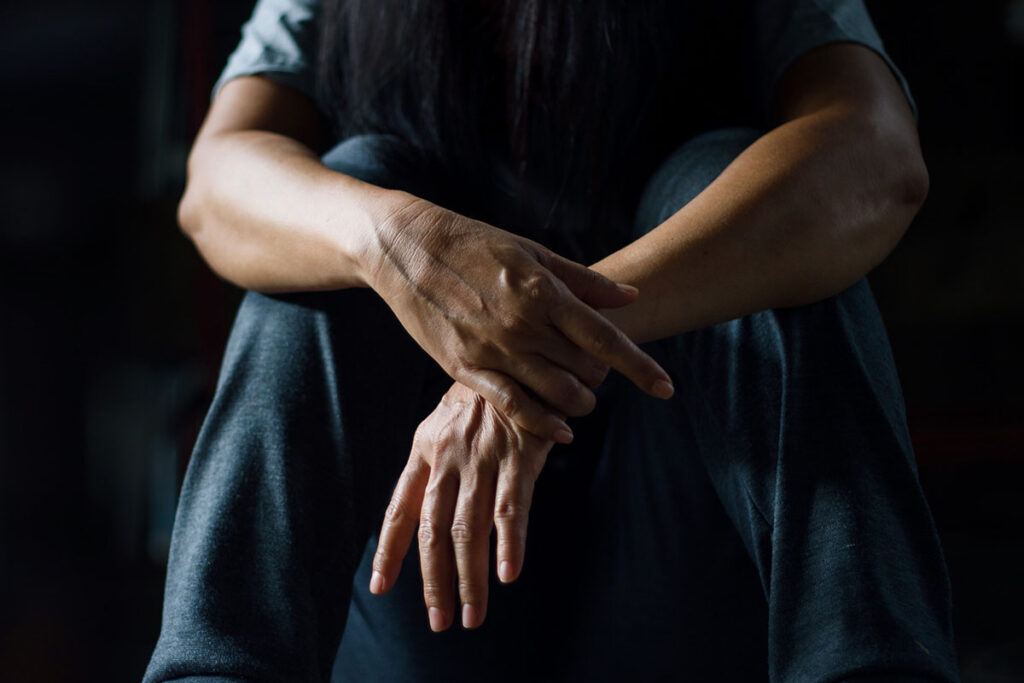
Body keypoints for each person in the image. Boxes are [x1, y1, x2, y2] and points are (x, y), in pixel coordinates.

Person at [145, 0, 960, 680]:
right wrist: (396, 242)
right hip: (431, 570)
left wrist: (529, 349)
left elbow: (878, 154)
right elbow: (217, 185)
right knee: (348, 196)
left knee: (739, 187)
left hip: (683, 558)